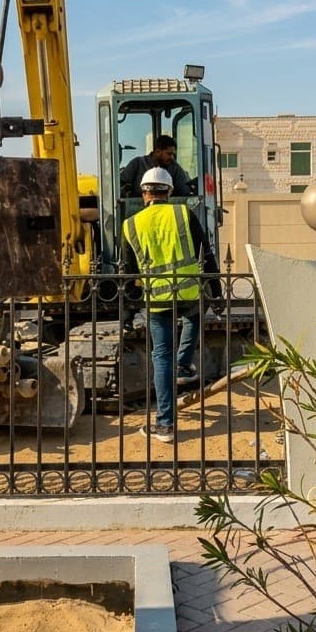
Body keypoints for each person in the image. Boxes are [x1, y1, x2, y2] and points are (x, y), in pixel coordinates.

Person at [122, 166, 222, 443]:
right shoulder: (183, 213)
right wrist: (216, 292)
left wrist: (129, 308)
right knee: (194, 318)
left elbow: (128, 273)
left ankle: (165, 425)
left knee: (161, 356)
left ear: (144, 193)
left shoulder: (130, 224)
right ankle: (184, 364)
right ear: (169, 191)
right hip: (188, 292)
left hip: (156, 299)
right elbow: (207, 253)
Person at [120, 134, 193, 198]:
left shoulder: (175, 168)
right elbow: (122, 185)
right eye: (169, 154)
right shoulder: (137, 163)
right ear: (158, 151)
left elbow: (184, 192)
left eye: (173, 155)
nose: (172, 158)